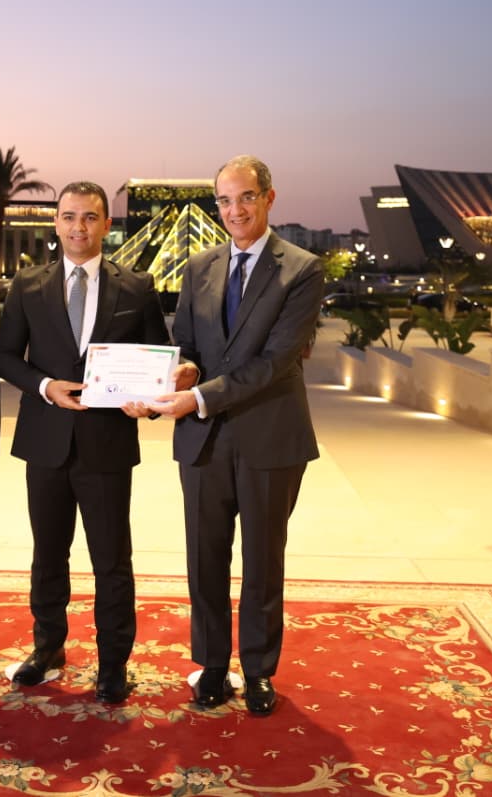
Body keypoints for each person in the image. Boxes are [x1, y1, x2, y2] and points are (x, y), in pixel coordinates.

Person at [150, 155, 325, 715]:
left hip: (270, 436)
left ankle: (258, 670)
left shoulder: (302, 269)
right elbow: (188, 345)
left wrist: (199, 396)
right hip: (203, 439)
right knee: (204, 558)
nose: (235, 210)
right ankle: (211, 665)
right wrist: (184, 372)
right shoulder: (199, 266)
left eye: (246, 197)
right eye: (224, 200)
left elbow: (276, 361)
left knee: (263, 560)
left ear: (269, 197)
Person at [0, 181, 171, 705]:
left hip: (107, 444)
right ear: (56, 222)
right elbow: (4, 356)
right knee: (48, 555)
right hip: (45, 443)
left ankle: (114, 663)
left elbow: (158, 358)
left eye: (90, 217)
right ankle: (47, 647)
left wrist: (149, 400)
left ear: (106, 225)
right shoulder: (27, 285)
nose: (79, 227)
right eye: (69, 216)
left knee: (111, 561)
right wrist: (45, 386)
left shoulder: (137, 287)